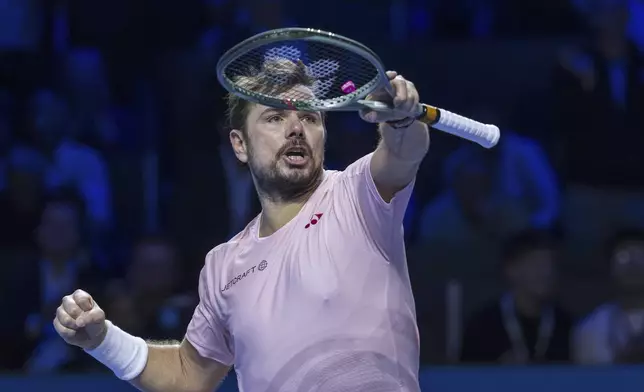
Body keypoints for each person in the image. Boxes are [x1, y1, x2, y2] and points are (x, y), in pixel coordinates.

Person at [53, 59, 429, 391]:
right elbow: (188, 375)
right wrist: (101, 340)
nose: (296, 127)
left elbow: (403, 152)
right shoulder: (223, 265)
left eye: (310, 117)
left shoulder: (358, 194)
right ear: (239, 144)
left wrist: (400, 122)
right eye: (275, 117)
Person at [460, 230, 573, 364]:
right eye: (536, 264)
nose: (546, 273)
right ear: (511, 269)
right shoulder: (483, 326)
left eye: (550, 265)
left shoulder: (565, 325)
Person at [573, 229, 644, 364]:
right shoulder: (591, 327)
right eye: (623, 256)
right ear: (610, 266)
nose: (633, 264)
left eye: (641, 256)